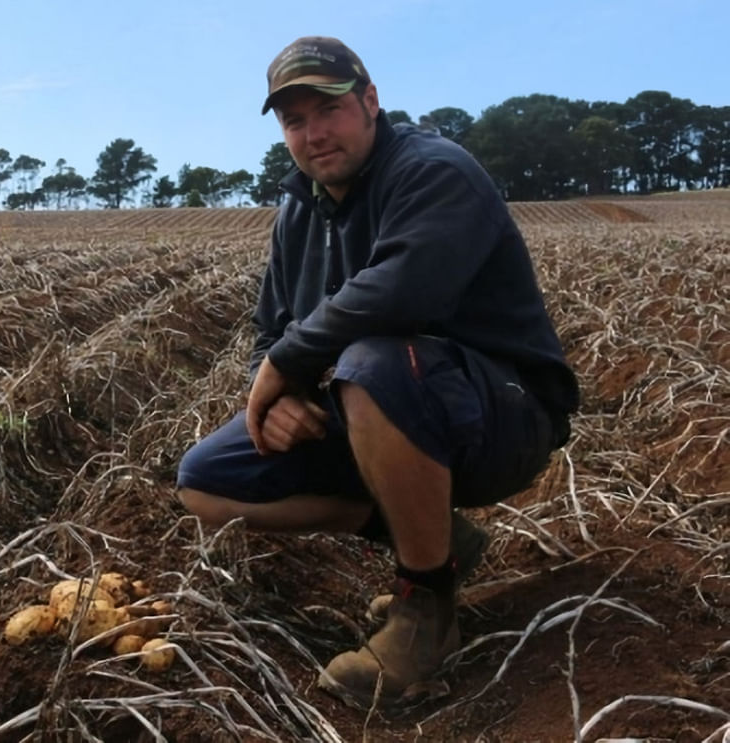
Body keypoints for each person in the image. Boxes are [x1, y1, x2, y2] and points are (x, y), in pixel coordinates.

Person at [175, 36, 579, 709]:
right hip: (374, 404)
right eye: (294, 120)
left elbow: (404, 291)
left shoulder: (433, 170)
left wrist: (283, 364)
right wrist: (274, 392)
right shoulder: (299, 209)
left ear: (369, 101)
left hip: (502, 416)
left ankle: (426, 608)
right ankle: (437, 539)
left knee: (373, 363)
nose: (313, 133)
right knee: (205, 483)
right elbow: (271, 328)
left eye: (326, 109)